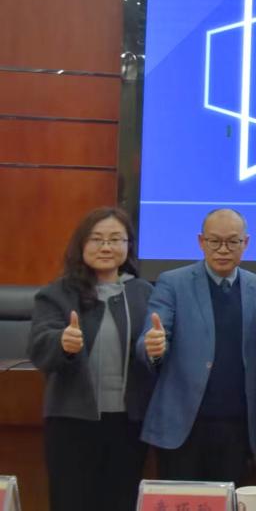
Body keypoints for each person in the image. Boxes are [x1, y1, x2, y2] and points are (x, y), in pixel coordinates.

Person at [27, 207, 153, 511]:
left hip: (128, 423)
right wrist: (62, 342)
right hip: (71, 421)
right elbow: (39, 345)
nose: (106, 247)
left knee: (121, 501)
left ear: (128, 246)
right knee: (72, 500)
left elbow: (154, 354)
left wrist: (158, 349)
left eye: (116, 239)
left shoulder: (144, 293)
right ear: (81, 244)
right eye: (96, 239)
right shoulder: (57, 293)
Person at [136, 208, 256, 484]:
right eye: (214, 241)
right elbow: (152, 334)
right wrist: (153, 346)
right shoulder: (173, 282)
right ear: (201, 241)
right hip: (183, 425)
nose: (223, 249)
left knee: (229, 499)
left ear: (245, 243)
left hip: (237, 427)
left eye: (232, 242)